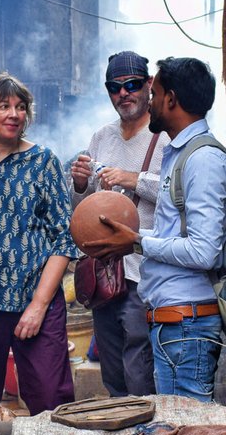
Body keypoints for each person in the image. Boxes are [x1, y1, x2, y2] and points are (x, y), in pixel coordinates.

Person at [80, 57, 226, 402]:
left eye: (154, 91)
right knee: (169, 427)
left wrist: (136, 241)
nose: (148, 100)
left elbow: (204, 251)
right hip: (173, 318)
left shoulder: (203, 159)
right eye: (115, 87)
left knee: (187, 431)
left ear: (170, 99)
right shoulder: (180, 154)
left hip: (187, 321)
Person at [0, 73, 80, 424]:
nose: (13, 114)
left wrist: (38, 306)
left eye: (20, 107)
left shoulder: (44, 162)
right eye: (3, 106)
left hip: (35, 299)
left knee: (51, 401)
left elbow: (63, 238)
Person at [69, 51, 169, 396]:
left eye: (132, 85)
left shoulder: (166, 137)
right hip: (105, 273)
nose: (124, 93)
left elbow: (179, 194)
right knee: (112, 371)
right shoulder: (102, 137)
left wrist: (133, 178)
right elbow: (85, 208)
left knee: (140, 369)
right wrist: (80, 185)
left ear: (149, 85)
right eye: (115, 87)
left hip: (147, 272)